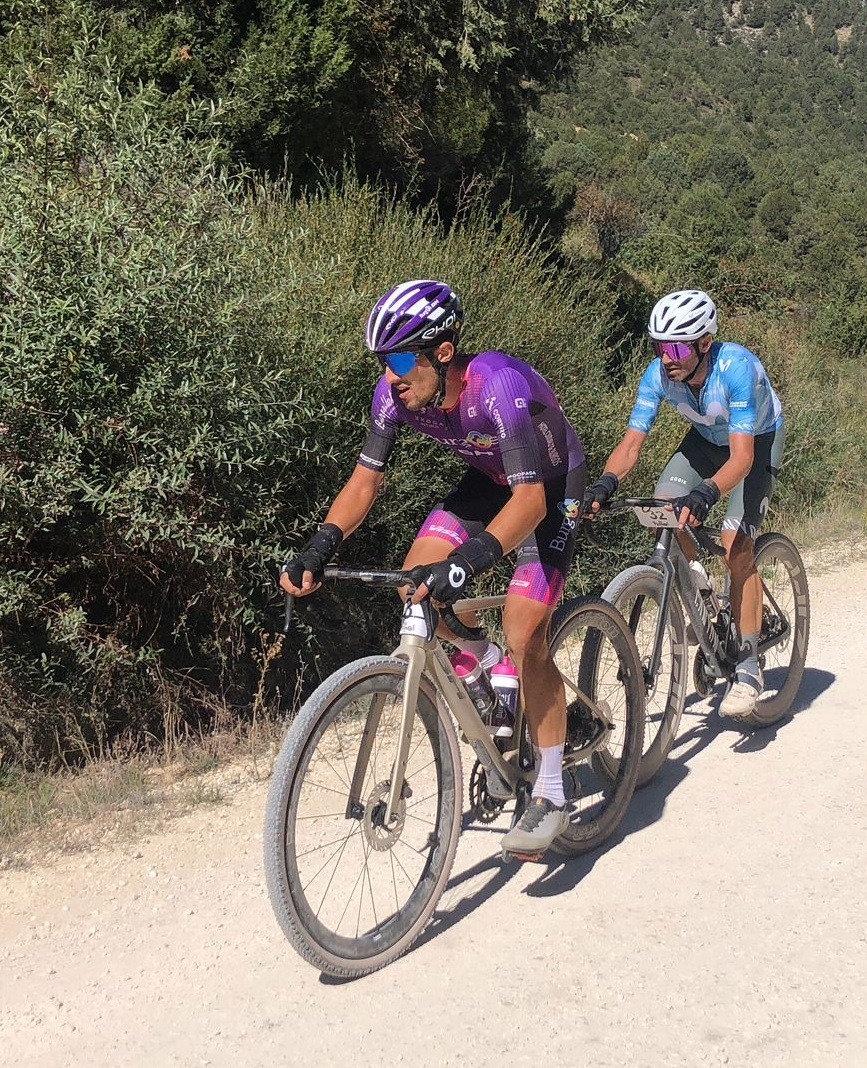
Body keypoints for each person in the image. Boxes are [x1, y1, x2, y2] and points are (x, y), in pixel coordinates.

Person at [279, 279, 588, 857]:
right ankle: (485, 664)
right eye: (383, 361)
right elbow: (365, 480)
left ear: (443, 353)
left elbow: (530, 504)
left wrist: (468, 564)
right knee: (413, 583)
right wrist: (320, 545)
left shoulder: (497, 387)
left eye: (399, 359)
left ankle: (549, 791)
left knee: (527, 632)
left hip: (549, 485)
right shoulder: (394, 394)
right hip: (489, 481)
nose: (391, 375)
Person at [582, 289, 784, 718]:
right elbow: (632, 442)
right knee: (663, 510)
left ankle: (748, 665)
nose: (665, 357)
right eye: (658, 346)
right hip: (706, 441)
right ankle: (701, 588)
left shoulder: (737, 370)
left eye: (675, 347)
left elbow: (742, 459)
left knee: (736, 546)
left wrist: (708, 491)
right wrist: (605, 483)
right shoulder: (658, 375)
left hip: (755, 443)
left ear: (704, 343)